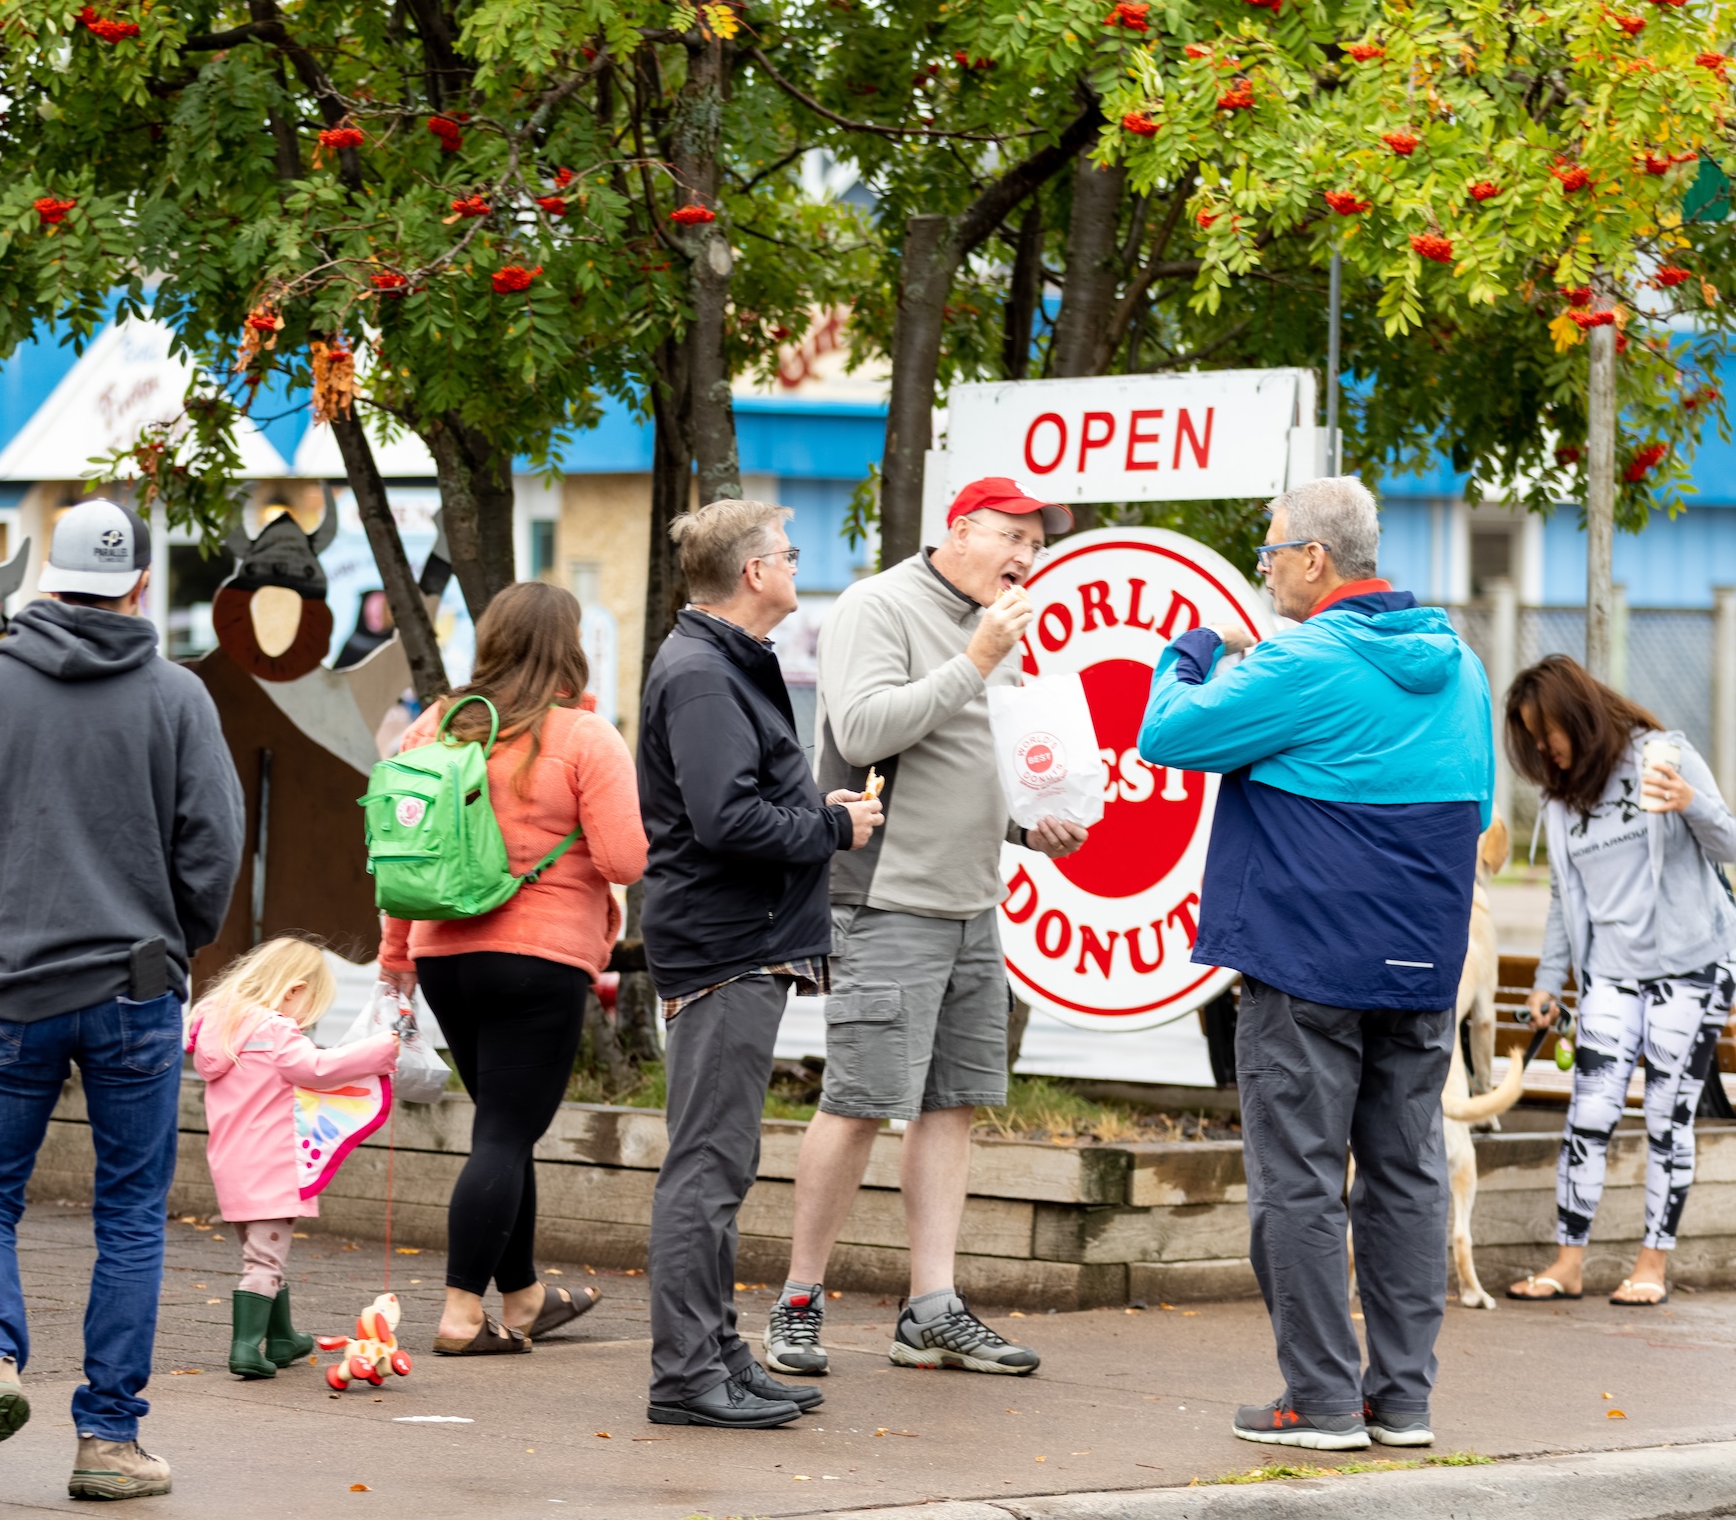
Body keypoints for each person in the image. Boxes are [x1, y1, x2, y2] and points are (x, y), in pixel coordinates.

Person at [1137, 476, 1491, 1453]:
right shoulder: (1459, 664)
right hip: (1420, 964)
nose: (1262, 566)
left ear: (1314, 561)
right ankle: (1403, 1402)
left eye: (1270, 550)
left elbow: (1165, 732)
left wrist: (1192, 649)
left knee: (1297, 1182)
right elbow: (1474, 804)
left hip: (1304, 966)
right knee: (1406, 1177)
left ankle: (1322, 1401)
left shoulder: (1301, 659)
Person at [0, 497, 243, 1503]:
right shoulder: (178, 697)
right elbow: (215, 849)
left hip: (11, 985)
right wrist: (172, 938)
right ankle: (106, 1440)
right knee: (131, 1213)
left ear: (47, 583)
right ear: (139, 585)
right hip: (133, 987)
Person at [773, 478, 1087, 1381]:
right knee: (861, 1099)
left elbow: (970, 764)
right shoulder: (880, 605)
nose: (1027, 555)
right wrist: (978, 659)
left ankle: (932, 1310)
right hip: (886, 896)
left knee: (954, 1103)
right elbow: (864, 729)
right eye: (1013, 535)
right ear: (959, 529)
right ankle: (798, 1300)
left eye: (1038, 541)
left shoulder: (1000, 625)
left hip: (971, 901)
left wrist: (1033, 827)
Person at [637, 499, 882, 1431]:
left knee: (721, 1165)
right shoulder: (704, 673)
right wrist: (832, 825)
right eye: (786, 552)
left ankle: (717, 1354)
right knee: (706, 1167)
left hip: (738, 943)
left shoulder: (719, 662)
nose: (794, 563)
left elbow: (736, 800)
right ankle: (686, 1375)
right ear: (750, 573)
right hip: (725, 949)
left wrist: (811, 809)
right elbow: (723, 820)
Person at [375, 581, 648, 1355]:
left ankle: (524, 1296)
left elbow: (403, 855)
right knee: (503, 1131)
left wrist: (397, 956)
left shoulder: (433, 728)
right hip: (539, 960)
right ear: (569, 648)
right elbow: (626, 859)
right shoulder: (585, 737)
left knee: (505, 1122)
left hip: (444, 958)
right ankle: (463, 1315)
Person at [1501, 656, 1736, 1307]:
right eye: (1532, 736)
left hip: (1690, 968)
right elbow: (1562, 896)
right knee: (1590, 1115)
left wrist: (1693, 806)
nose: (1544, 747)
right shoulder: (1562, 800)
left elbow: (1730, 845)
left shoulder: (1664, 757)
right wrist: (1549, 980)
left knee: (1667, 1115)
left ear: (1576, 714)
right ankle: (1568, 1262)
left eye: (1546, 730)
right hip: (1610, 975)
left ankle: (1652, 1265)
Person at [186, 937, 400, 1378]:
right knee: (263, 1262)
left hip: (232, 1165)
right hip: (273, 1164)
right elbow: (315, 1069)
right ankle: (245, 1348)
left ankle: (282, 1338)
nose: (305, 1019)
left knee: (261, 1252)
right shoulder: (275, 1028)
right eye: (309, 1006)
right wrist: (378, 1051)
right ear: (292, 989)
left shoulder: (220, 1025)